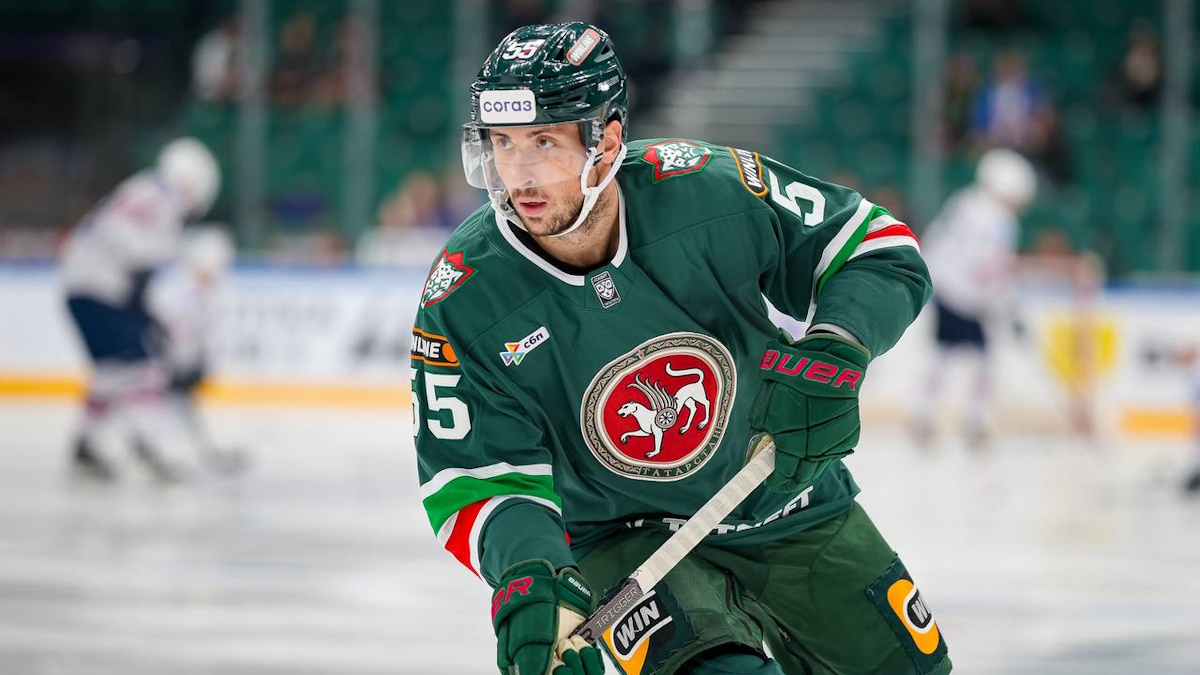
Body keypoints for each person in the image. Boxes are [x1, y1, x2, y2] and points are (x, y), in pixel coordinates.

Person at [412, 23, 950, 675]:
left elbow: (876, 248)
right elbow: (474, 477)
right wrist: (535, 577)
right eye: (503, 143)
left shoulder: (707, 189)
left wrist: (838, 348)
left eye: (544, 142)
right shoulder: (465, 295)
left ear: (607, 141)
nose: (519, 175)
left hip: (787, 498)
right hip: (622, 540)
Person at [60, 137, 220, 481]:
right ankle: (149, 444)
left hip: (87, 287)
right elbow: (126, 242)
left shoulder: (147, 191)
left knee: (112, 370)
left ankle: (86, 447)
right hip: (100, 290)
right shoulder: (158, 197)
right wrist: (172, 257)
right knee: (143, 367)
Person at [912, 148, 1036, 447]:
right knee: (982, 358)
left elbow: (936, 241)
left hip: (945, 288)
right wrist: (1010, 308)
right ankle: (974, 418)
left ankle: (926, 413)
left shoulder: (965, 202)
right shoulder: (999, 220)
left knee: (942, 353)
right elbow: (993, 268)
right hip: (968, 296)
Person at [144, 227, 248, 476]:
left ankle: (163, 453)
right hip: (158, 365)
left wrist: (196, 362)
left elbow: (200, 333)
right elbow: (159, 328)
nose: (216, 275)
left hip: (178, 364)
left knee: (177, 410)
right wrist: (173, 360)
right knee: (154, 412)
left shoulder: (201, 292)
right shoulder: (171, 290)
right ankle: (152, 452)